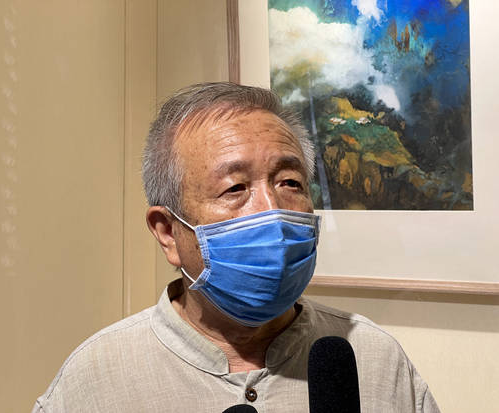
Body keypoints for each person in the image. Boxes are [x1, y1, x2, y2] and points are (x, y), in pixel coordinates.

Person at [32, 82, 440, 412]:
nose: (272, 211)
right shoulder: (96, 379)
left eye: (290, 183)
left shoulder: (375, 359)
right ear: (168, 232)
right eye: (235, 188)